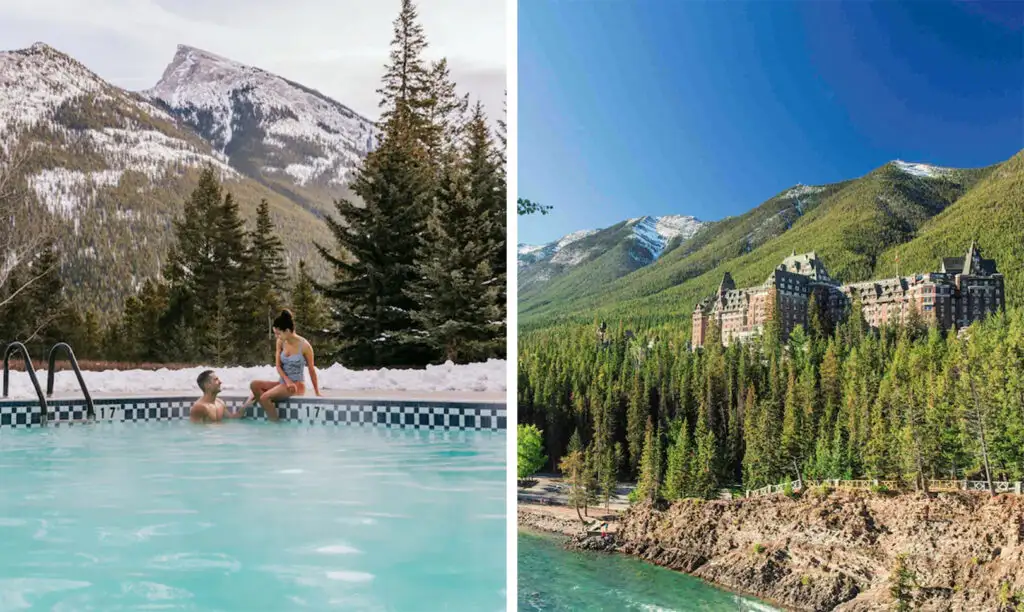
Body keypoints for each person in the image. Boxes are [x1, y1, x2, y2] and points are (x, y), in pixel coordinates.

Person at [243, 309, 321, 421]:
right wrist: (286, 380)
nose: (277, 336)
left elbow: (311, 370)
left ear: (288, 331)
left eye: (278, 333)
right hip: (283, 383)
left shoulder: (305, 346)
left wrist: (317, 392)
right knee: (254, 385)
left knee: (264, 398)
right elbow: (278, 366)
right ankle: (271, 405)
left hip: (296, 385)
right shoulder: (281, 342)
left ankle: (275, 425)